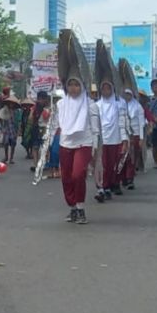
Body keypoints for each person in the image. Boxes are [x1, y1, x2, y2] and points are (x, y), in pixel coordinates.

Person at [56, 78, 100, 224]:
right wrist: (48, 147)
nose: (73, 88)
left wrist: (94, 149)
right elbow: (55, 125)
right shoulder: (61, 104)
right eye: (70, 85)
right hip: (65, 144)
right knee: (66, 177)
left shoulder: (91, 104)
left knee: (78, 175)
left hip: (84, 144)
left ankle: (80, 207)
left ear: (82, 86)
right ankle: (73, 207)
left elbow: (95, 129)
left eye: (76, 85)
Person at [94, 81, 128, 202]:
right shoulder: (96, 105)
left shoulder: (119, 104)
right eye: (104, 89)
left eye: (108, 89)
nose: (106, 91)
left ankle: (109, 186)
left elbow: (122, 123)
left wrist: (124, 140)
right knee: (101, 165)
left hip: (115, 139)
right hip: (101, 140)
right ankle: (101, 188)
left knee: (111, 165)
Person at [121, 88, 144, 190]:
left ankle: (130, 178)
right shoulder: (120, 106)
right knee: (122, 157)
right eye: (125, 95)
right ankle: (123, 178)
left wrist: (141, 138)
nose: (127, 97)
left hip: (134, 134)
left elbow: (141, 123)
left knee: (132, 157)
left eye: (128, 95)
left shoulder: (138, 107)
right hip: (123, 136)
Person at [27, 91, 50, 172]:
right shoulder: (47, 107)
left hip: (36, 128)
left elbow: (30, 118)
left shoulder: (35, 107)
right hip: (43, 129)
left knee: (36, 147)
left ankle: (36, 164)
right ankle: (43, 164)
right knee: (42, 147)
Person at [0, 95, 22, 164]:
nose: (11, 104)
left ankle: (11, 158)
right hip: (7, 129)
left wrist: (19, 129)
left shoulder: (17, 111)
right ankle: (6, 157)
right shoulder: (5, 110)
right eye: (10, 103)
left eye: (12, 103)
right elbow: (2, 117)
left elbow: (19, 121)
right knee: (6, 143)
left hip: (14, 129)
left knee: (13, 144)